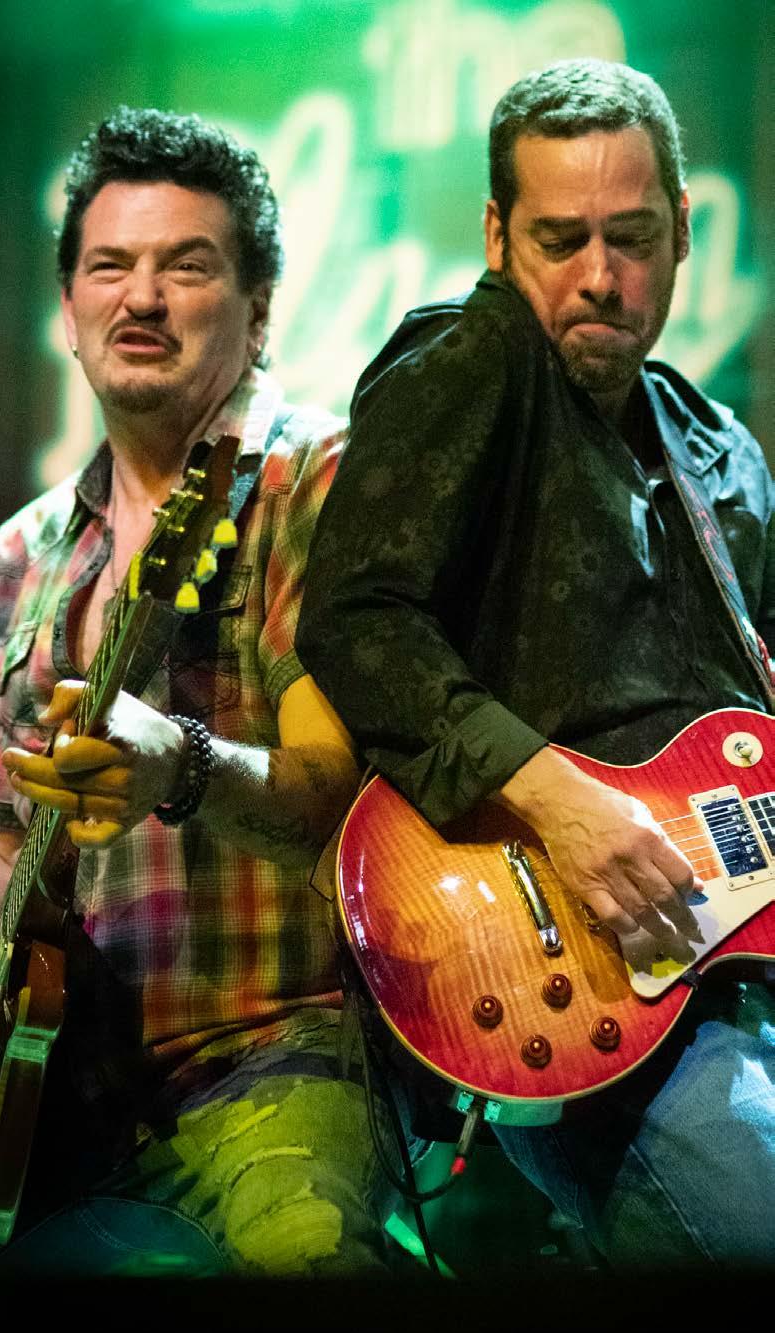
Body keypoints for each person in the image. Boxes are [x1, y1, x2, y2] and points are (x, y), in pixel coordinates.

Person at [296, 59, 775, 1269]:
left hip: (739, 961)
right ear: (496, 235)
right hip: (572, 975)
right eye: (560, 240)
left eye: (632, 237)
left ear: (681, 230)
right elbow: (357, 618)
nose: (598, 277)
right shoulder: (476, 359)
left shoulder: (719, 453)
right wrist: (557, 800)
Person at [0, 106, 397, 1279]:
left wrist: (179, 761)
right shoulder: (17, 557)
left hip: (277, 1054)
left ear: (259, 313)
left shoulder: (323, 483)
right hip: (51, 1098)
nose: (141, 298)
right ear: (68, 307)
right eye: (110, 265)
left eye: (187, 266)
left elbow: (336, 800)